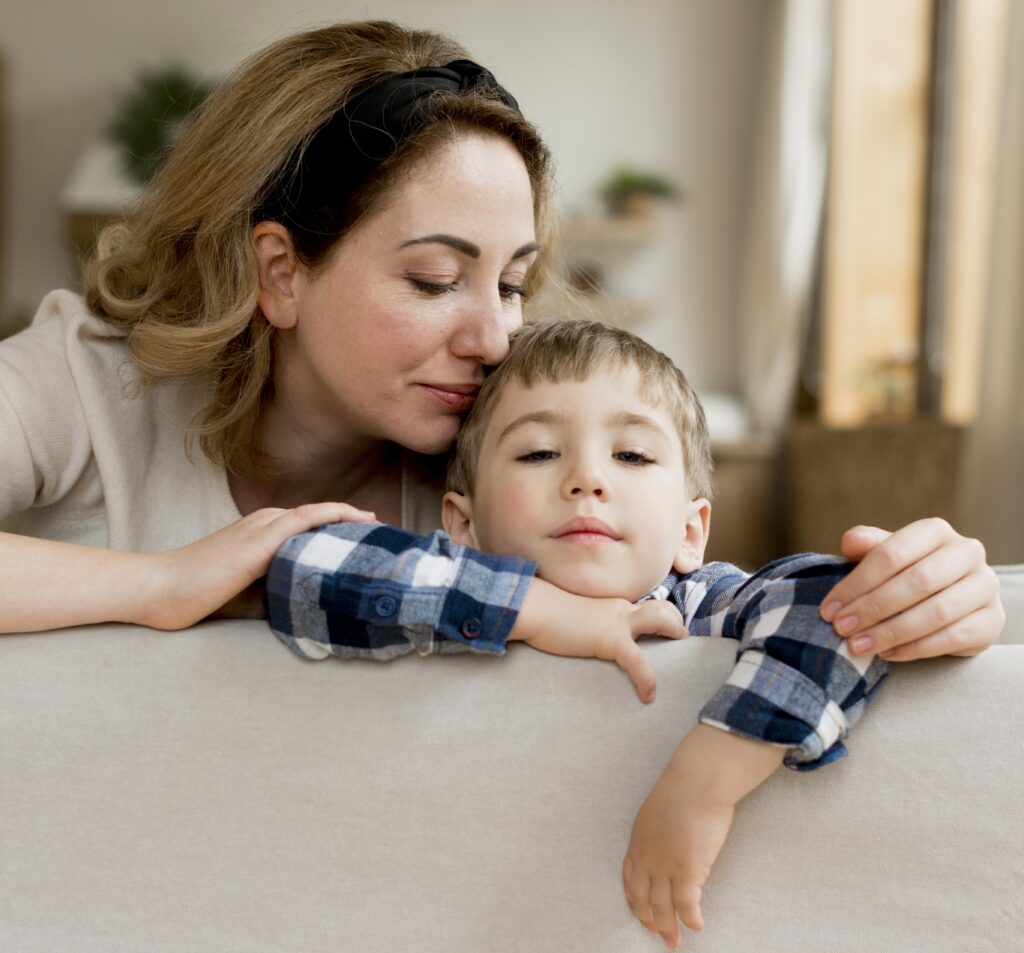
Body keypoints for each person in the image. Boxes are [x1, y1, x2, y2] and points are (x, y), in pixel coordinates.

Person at [0, 27, 1003, 701]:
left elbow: (691, 603)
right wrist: (156, 583)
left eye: (513, 282)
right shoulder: (85, 387)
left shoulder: (500, 465)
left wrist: (921, 591)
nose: (492, 337)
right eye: (436, 278)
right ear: (281, 271)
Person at [266, 318, 889, 950]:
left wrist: (703, 786)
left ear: (690, 532)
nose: (587, 479)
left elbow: (839, 606)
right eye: (539, 452)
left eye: (631, 455)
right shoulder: (446, 583)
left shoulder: (699, 608)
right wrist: (540, 611)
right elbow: (301, 565)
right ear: (464, 522)